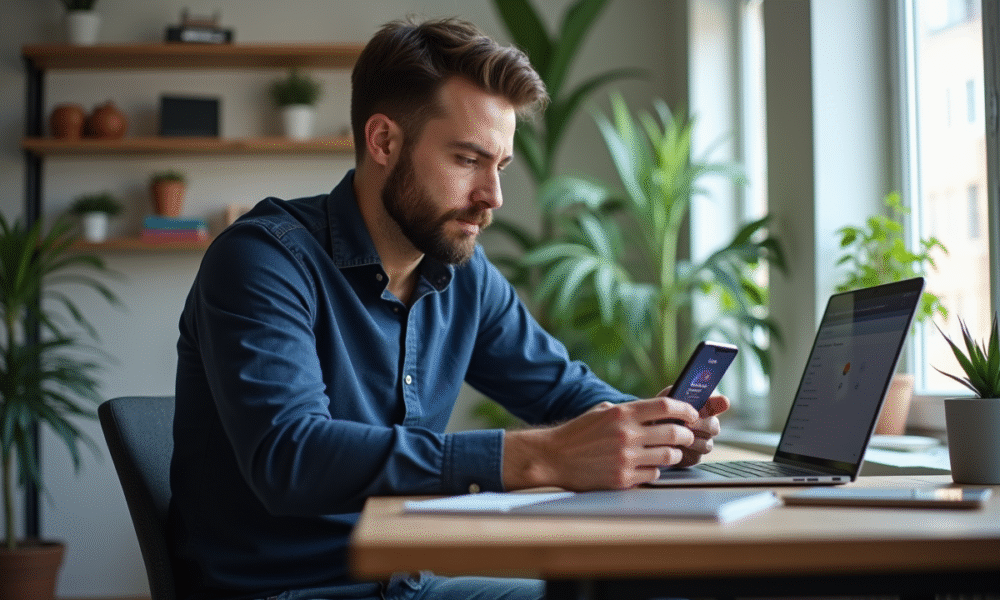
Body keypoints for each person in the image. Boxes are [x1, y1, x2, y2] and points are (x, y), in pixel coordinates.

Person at [169, 16, 730, 600]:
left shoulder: (462, 273)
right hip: (288, 592)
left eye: (500, 166)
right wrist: (537, 457)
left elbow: (562, 390)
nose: (493, 197)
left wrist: (654, 429)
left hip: (410, 584)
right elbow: (291, 457)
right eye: (467, 160)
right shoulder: (263, 260)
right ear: (383, 141)